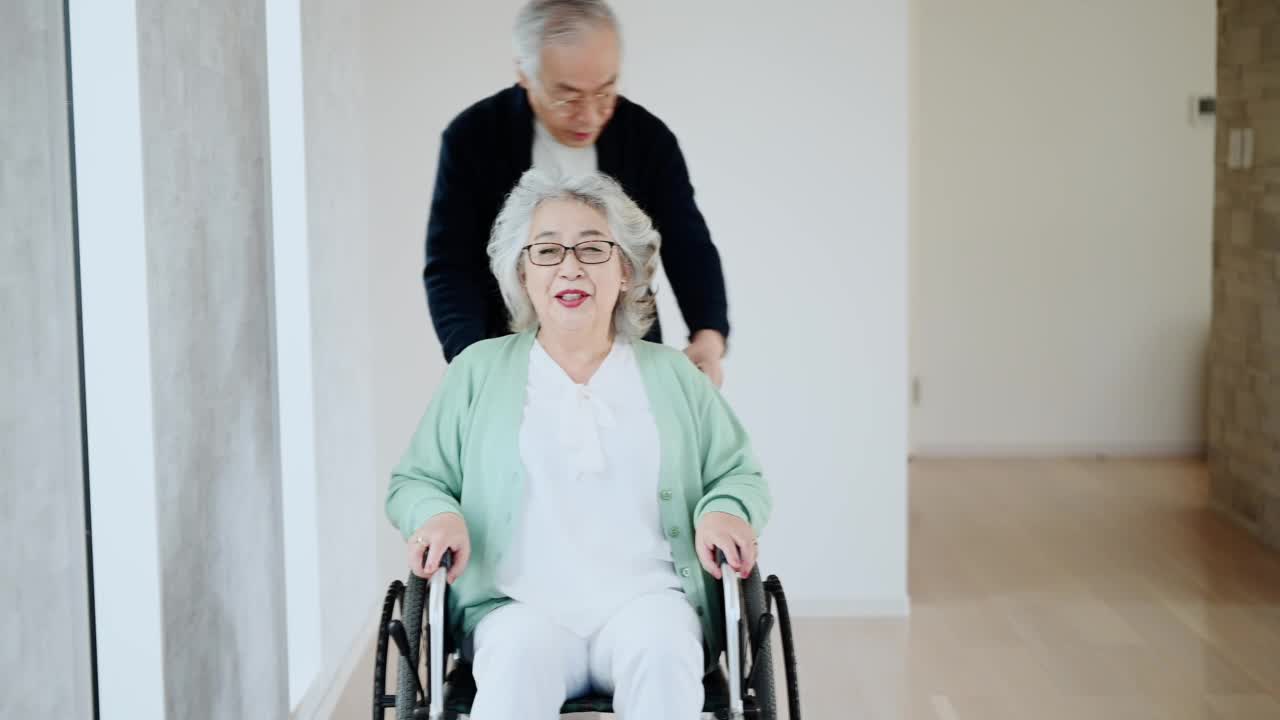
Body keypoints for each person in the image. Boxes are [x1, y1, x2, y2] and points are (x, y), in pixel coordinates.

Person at [387, 170, 770, 719]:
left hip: (650, 602)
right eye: (546, 251)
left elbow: (739, 474)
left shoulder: (674, 376)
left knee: (664, 654)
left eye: (592, 248)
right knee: (516, 664)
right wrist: (438, 514)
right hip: (517, 607)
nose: (570, 266)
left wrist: (724, 511)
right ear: (522, 271)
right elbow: (416, 480)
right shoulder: (477, 371)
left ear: (625, 270)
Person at [424, 0, 731, 386]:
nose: (589, 116)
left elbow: (689, 244)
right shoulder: (473, 139)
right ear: (524, 73)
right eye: (567, 98)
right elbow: (451, 265)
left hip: (625, 355)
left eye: (605, 93)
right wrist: (471, 359)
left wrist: (708, 333)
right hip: (507, 356)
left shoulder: (647, 138)